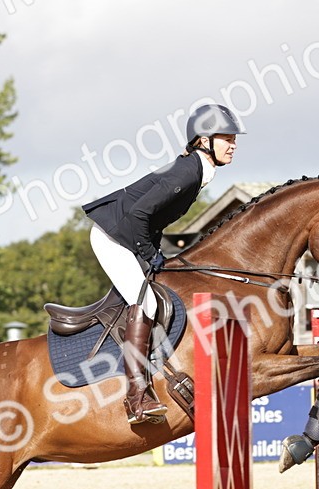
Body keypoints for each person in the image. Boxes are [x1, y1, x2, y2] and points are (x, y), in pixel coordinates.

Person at [81, 103, 244, 424]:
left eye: (233, 138)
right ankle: (136, 397)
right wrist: (149, 254)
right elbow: (139, 214)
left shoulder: (197, 171)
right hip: (112, 238)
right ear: (203, 140)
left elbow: (152, 220)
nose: (233, 144)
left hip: (127, 236)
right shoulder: (188, 171)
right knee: (147, 303)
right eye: (226, 138)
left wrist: (156, 255)